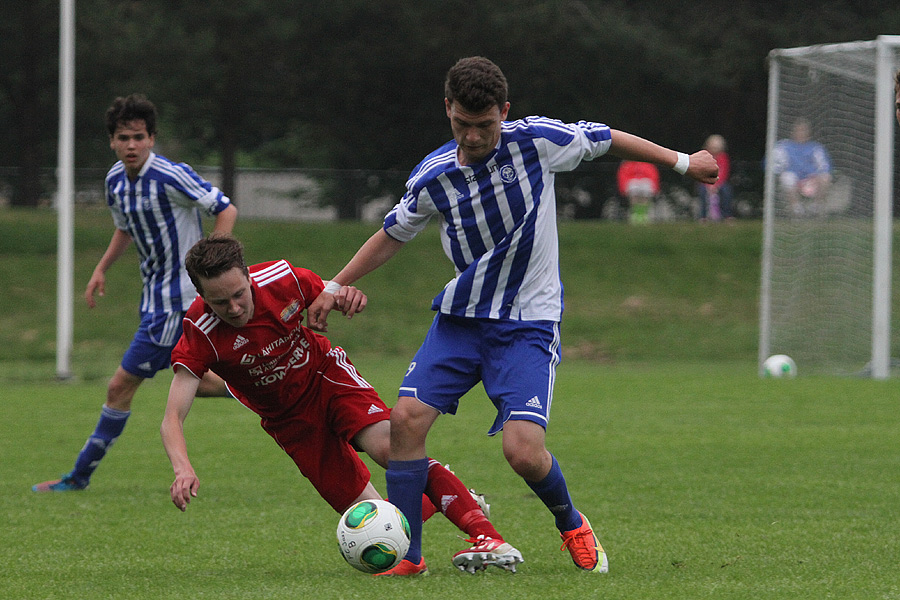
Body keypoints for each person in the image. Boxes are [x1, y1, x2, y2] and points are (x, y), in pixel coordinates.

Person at [307, 56, 719, 575]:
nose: (474, 136)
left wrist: (683, 162)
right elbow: (393, 234)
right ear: (448, 111)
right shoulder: (434, 175)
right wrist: (336, 283)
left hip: (528, 323)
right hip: (461, 319)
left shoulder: (537, 142)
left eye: (485, 124)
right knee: (406, 421)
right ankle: (409, 558)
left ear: (504, 111)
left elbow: (607, 136)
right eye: (463, 124)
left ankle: (571, 523)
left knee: (523, 451)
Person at [161, 235, 522, 576]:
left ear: (248, 275)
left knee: (392, 449)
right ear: (201, 295)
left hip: (326, 377)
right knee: (367, 516)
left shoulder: (284, 279)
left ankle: (486, 536)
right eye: (220, 302)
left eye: (239, 294)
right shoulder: (201, 330)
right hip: (288, 421)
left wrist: (348, 297)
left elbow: (332, 295)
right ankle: (454, 502)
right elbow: (172, 416)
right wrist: (182, 469)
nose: (234, 307)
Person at [33, 94, 238, 493]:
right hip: (154, 302)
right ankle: (276, 388)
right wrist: (101, 267)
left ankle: (77, 478)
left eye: (139, 137)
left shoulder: (171, 175)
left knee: (119, 387)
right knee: (204, 378)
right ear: (112, 140)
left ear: (152, 138)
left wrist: (213, 263)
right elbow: (126, 227)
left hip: (176, 304)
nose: (132, 145)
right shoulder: (114, 181)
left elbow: (225, 209)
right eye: (124, 137)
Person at [771, 118, 832, 217]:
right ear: (793, 132)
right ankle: (797, 211)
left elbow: (825, 166)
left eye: (804, 130)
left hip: (811, 181)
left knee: (826, 177)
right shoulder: (784, 146)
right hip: (794, 182)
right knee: (787, 177)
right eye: (799, 130)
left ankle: (816, 208)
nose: (801, 133)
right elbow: (773, 165)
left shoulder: (816, 147)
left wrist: (815, 177)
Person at [696, 134, 732, 221]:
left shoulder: (724, 157)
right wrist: (709, 184)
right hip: (705, 182)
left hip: (719, 182)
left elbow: (724, 172)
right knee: (702, 191)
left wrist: (716, 184)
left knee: (726, 190)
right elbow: (701, 171)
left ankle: (727, 215)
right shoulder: (704, 156)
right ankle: (703, 216)